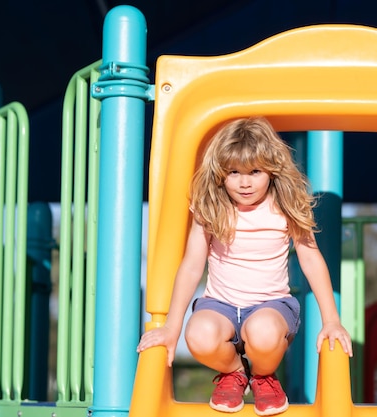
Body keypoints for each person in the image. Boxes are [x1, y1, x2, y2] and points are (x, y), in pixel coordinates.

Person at [136, 116, 353, 416]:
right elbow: (191, 265)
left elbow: (310, 258)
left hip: (270, 306)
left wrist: (331, 319)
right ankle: (236, 372)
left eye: (254, 171)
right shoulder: (212, 206)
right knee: (198, 335)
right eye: (234, 172)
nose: (245, 181)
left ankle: (264, 376)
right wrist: (171, 327)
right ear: (221, 173)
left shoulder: (283, 206)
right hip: (220, 304)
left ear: (272, 169)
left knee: (262, 331)